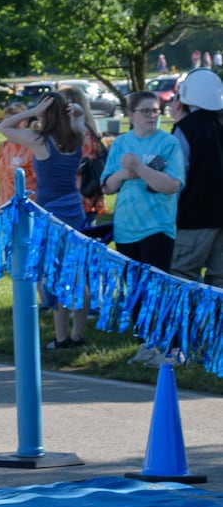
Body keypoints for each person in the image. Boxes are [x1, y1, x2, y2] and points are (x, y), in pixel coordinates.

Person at [0, 93, 91, 349]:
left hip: (51, 214)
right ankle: (77, 335)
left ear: (45, 111)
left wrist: (30, 112)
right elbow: (82, 124)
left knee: (57, 273)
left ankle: (61, 337)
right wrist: (78, 115)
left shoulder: (40, 141)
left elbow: (3, 127)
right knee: (77, 274)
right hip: (75, 210)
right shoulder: (76, 137)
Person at [104, 90, 187, 365]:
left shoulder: (168, 143)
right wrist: (123, 173)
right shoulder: (121, 144)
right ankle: (147, 344)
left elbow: (171, 185)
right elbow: (108, 186)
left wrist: (139, 168)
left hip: (158, 227)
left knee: (159, 287)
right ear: (132, 115)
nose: (152, 116)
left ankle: (172, 349)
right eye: (146, 111)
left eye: (156, 110)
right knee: (136, 290)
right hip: (126, 226)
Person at [168, 69, 223, 288]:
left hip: (194, 218)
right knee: (220, 279)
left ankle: (185, 323)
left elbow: (177, 176)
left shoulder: (186, 129)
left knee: (181, 277)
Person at [60, 84, 107, 223]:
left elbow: (79, 163)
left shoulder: (79, 133)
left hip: (77, 199)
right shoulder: (89, 130)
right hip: (87, 197)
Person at [0, 102, 38, 206]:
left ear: (25, 122)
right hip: (6, 208)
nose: (11, 126)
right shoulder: (3, 147)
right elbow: (1, 180)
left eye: (15, 121)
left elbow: (40, 184)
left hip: (26, 209)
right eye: (7, 122)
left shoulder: (31, 148)